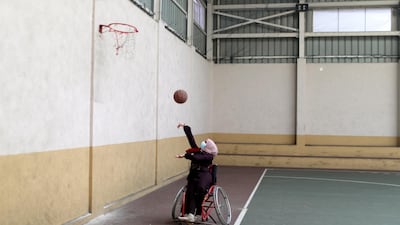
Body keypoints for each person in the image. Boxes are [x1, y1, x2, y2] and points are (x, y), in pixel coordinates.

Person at [176, 123, 218, 222]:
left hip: (204, 176)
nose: (203, 143)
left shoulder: (208, 156)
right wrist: (185, 127)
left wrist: (186, 155)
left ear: (208, 147)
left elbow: (197, 157)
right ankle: (189, 213)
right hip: (195, 175)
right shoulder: (199, 151)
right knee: (189, 190)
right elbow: (191, 139)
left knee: (198, 189)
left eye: (205, 142)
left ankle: (192, 214)